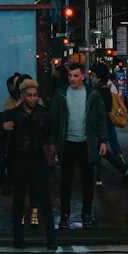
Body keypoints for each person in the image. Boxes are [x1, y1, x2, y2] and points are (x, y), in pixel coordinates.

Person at [49, 62, 108, 228]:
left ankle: (86, 214)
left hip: (86, 143)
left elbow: (101, 119)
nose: (72, 79)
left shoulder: (92, 95)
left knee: (87, 181)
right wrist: (52, 141)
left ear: (83, 76)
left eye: (76, 76)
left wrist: (103, 140)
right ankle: (65, 214)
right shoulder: (61, 94)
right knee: (65, 181)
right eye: (70, 76)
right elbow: (54, 120)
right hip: (67, 142)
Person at [1, 78, 57, 250]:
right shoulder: (13, 113)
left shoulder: (43, 113)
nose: (33, 98)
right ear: (23, 96)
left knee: (44, 199)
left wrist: (52, 148)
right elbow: (2, 133)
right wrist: (4, 127)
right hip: (20, 158)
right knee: (19, 199)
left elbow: (50, 133)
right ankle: (19, 239)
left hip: (36, 157)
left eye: (35, 95)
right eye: (30, 95)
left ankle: (51, 240)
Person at [89, 63, 128, 184]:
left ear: (99, 78)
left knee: (101, 151)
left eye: (93, 76)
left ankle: (123, 168)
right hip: (107, 124)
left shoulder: (98, 92)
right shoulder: (106, 91)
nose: (91, 78)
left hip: (101, 126)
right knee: (101, 150)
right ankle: (99, 177)